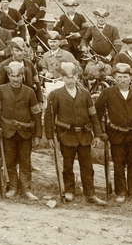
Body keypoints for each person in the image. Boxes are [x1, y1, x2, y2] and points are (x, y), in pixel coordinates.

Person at [44, 61, 106, 205]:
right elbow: (49, 116)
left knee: (87, 166)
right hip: (66, 136)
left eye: (73, 77)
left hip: (84, 136)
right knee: (67, 165)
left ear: (77, 77)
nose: (70, 80)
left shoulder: (85, 94)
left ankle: (90, 193)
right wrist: (49, 136)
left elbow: (93, 115)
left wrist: (97, 134)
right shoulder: (55, 94)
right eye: (67, 77)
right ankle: (69, 191)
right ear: (62, 78)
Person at [0, 61, 42, 200]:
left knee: (26, 162)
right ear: (8, 76)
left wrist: (38, 135)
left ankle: (26, 189)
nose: (15, 79)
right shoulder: (1, 90)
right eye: (12, 76)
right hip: (7, 132)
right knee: (9, 161)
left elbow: (36, 114)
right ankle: (13, 187)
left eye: (19, 76)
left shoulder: (30, 92)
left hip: (25, 132)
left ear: (23, 77)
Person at [97, 63, 132, 205]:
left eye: (125, 77)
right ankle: (120, 192)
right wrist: (101, 132)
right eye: (119, 77)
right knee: (119, 164)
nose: (122, 80)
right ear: (114, 77)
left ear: (130, 78)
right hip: (116, 135)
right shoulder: (107, 93)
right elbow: (98, 112)